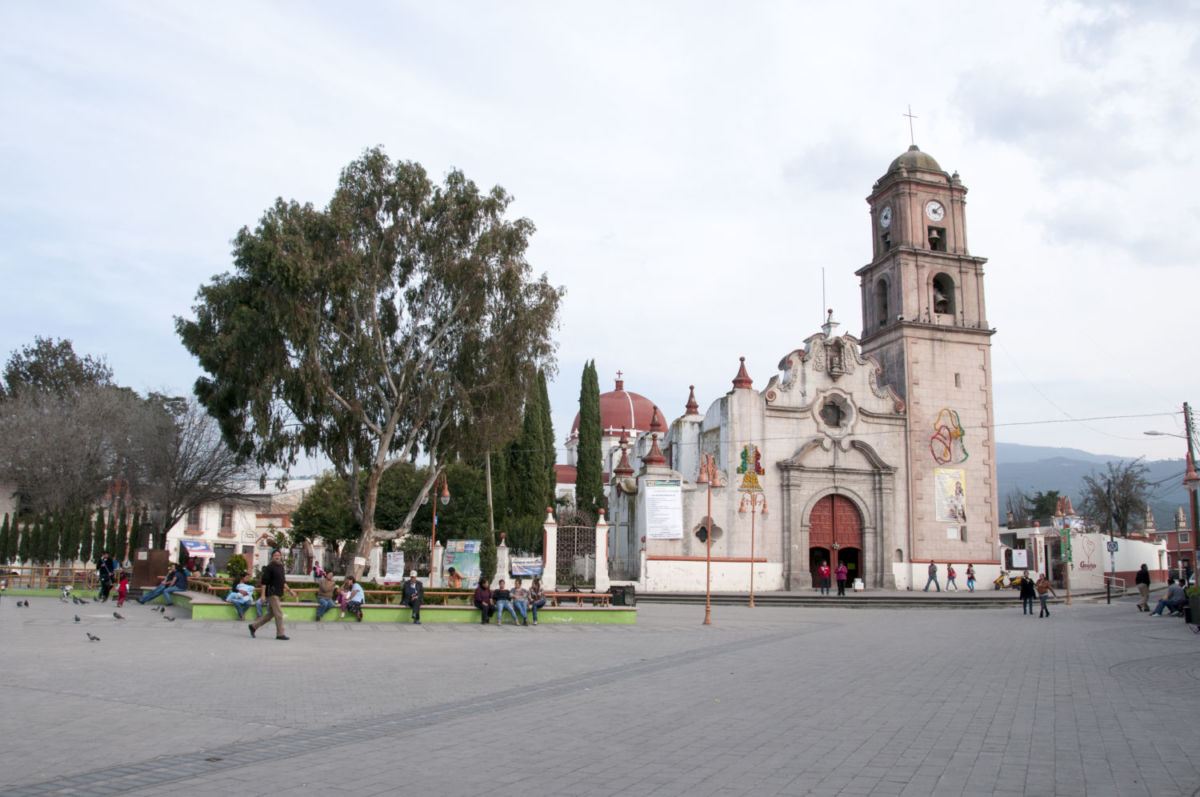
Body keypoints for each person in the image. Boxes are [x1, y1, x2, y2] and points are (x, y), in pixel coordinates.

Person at [249, 550, 298, 639]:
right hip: (272, 593)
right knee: (279, 614)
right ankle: (280, 634)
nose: (277, 557)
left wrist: (290, 590)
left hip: (278, 593)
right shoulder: (270, 567)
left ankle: (253, 626)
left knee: (271, 614)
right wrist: (262, 595)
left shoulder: (281, 567)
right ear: (272, 557)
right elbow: (264, 582)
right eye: (275, 555)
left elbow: (283, 582)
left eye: (278, 555)